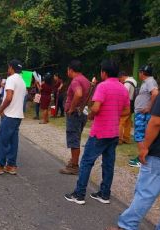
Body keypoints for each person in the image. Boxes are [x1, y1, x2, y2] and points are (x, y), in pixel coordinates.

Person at [64, 59, 130, 205]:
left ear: (104, 72)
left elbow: (95, 108)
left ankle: (79, 194)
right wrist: (114, 114)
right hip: (113, 133)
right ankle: (104, 194)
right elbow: (126, 110)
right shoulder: (123, 88)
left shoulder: (102, 86)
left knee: (87, 161)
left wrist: (91, 116)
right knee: (108, 163)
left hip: (100, 131)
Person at [107, 94, 160, 230]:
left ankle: (127, 225)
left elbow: (156, 122)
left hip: (157, 154)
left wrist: (145, 147)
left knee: (146, 192)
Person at [0, 60, 26, 175]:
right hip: (18, 115)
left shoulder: (11, 79)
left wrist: (1, 109)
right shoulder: (22, 81)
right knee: (13, 141)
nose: (8, 70)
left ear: (11, 68)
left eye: (8, 68)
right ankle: (11, 165)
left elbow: (8, 97)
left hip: (9, 115)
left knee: (2, 140)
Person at [59, 60, 91, 175]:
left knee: (74, 139)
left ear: (71, 70)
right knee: (76, 137)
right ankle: (73, 160)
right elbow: (89, 95)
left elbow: (78, 94)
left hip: (75, 114)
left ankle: (74, 166)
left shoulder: (75, 81)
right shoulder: (86, 80)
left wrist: (72, 108)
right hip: (82, 112)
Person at [129, 65, 158, 168]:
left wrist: (149, 108)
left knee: (139, 136)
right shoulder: (148, 81)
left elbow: (155, 93)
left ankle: (141, 159)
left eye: (139, 72)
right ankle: (142, 157)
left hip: (143, 114)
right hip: (142, 113)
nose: (139, 74)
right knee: (142, 136)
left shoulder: (149, 81)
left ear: (142, 73)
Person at [118, 71, 137, 145]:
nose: (120, 81)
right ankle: (126, 138)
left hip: (127, 104)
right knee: (128, 122)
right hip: (132, 104)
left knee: (121, 121)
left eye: (120, 79)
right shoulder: (134, 81)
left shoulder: (127, 83)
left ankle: (119, 139)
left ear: (123, 76)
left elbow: (124, 94)